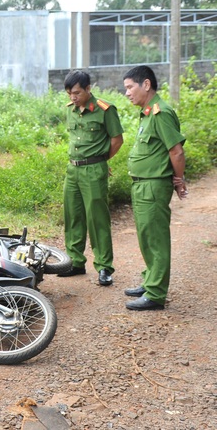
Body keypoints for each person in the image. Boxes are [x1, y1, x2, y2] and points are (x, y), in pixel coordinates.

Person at [122, 65, 187, 311]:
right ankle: (150, 281)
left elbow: (176, 150)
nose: (127, 93)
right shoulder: (147, 113)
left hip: (153, 186)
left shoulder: (161, 113)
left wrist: (179, 181)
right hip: (142, 185)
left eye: (130, 87)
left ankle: (156, 294)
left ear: (146, 85)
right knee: (145, 236)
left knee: (156, 239)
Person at [58, 71, 124, 286]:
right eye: (69, 93)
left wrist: (101, 160)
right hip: (72, 170)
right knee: (73, 216)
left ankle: (104, 266)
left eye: (76, 93)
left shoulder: (105, 110)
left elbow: (117, 140)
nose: (73, 97)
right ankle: (75, 262)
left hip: (94, 169)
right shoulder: (71, 110)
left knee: (97, 219)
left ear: (88, 89)